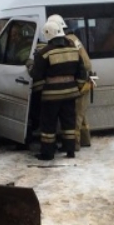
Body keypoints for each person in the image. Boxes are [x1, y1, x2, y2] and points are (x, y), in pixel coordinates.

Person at [30, 15, 88, 160]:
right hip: (70, 95)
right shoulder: (73, 49)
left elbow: (36, 75)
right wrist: (78, 87)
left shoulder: (44, 53)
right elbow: (82, 71)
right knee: (68, 124)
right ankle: (70, 151)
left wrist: (30, 64)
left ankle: (47, 153)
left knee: (48, 126)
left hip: (51, 97)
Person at [63, 22, 94, 149]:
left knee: (76, 114)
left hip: (82, 80)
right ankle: (85, 140)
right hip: (86, 79)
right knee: (81, 112)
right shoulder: (75, 39)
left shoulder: (68, 41)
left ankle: (74, 144)